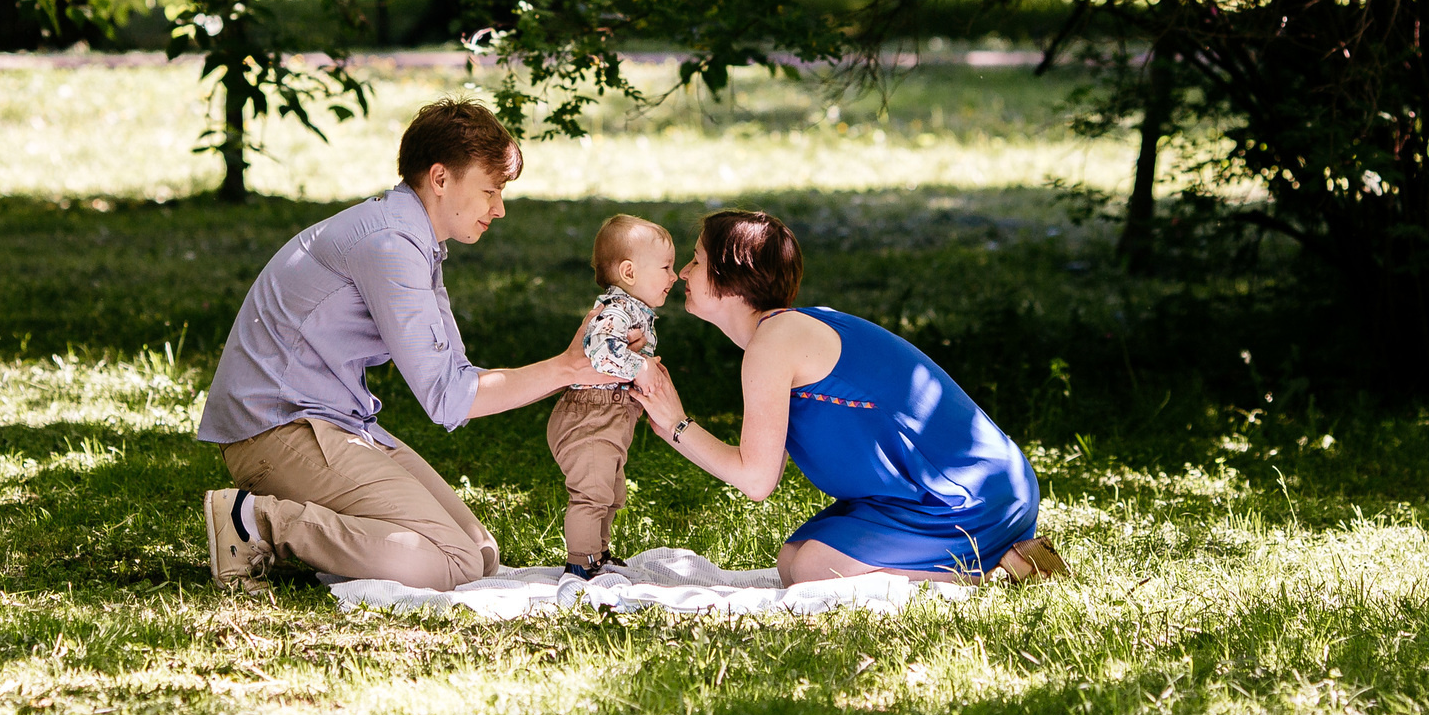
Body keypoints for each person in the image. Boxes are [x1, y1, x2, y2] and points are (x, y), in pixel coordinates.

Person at [196, 99, 605, 590]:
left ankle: (312, 537)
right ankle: (257, 522)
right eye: (490, 190)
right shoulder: (390, 244)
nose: (499, 208)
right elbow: (448, 398)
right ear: (440, 177)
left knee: (480, 554)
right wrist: (566, 368)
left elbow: (457, 375)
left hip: (332, 423)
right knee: (449, 562)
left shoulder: (414, 238)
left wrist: (571, 367)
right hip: (275, 433)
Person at [632, 209, 1067, 585]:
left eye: (696, 260)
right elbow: (763, 468)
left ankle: (997, 563)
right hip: (921, 494)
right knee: (792, 563)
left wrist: (675, 423)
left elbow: (755, 481)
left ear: (733, 276)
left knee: (815, 569)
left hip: (971, 498)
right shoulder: (779, 334)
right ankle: (984, 555)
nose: (684, 273)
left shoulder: (775, 340)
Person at [548, 213, 674, 578]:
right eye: (666, 267)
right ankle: (581, 561)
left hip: (608, 417)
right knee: (592, 493)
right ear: (630, 273)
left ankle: (599, 554)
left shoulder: (635, 311)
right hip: (588, 417)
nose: (673, 277)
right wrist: (640, 367)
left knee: (611, 491)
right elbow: (600, 350)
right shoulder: (617, 312)